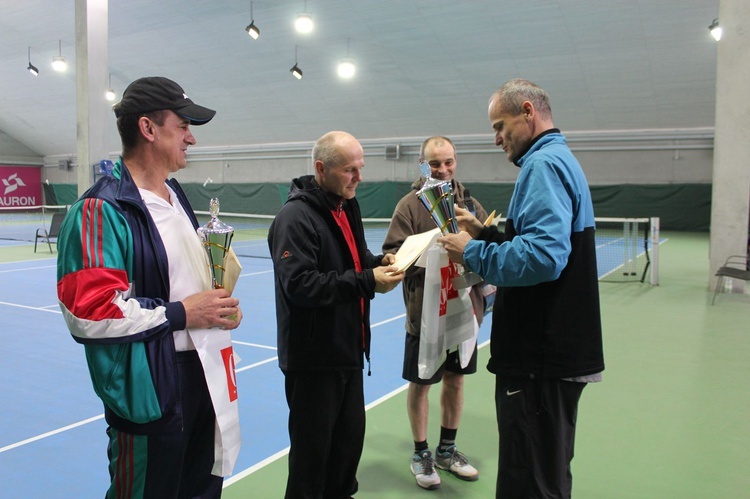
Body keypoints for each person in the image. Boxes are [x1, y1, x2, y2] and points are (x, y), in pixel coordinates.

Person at [56, 76, 243, 498]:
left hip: (205, 374)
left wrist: (218, 307)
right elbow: (90, 312)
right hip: (153, 387)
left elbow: (187, 278)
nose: (191, 138)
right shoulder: (99, 209)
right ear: (148, 129)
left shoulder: (175, 195)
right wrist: (182, 313)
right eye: (183, 126)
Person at [438, 79, 604, 498]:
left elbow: (545, 258)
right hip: (552, 357)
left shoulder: (542, 166)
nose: (497, 139)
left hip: (539, 360)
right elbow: (536, 240)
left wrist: (473, 251)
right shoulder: (559, 158)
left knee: (529, 482)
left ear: (528, 112)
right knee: (546, 473)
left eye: (500, 126)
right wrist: (490, 234)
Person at [267, 131, 404, 498]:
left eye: (360, 168)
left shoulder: (347, 206)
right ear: (321, 169)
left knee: (345, 458)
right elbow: (301, 285)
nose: (359, 177)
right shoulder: (294, 218)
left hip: (348, 354)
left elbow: (353, 261)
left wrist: (378, 263)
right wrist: (366, 281)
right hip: (313, 363)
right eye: (349, 170)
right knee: (311, 466)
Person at [382, 136, 487, 490]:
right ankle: (420, 453)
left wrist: (479, 236)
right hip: (423, 315)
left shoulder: (469, 202)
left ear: (455, 161)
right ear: (423, 165)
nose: (442, 169)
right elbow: (393, 255)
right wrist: (429, 251)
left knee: (456, 381)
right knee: (422, 383)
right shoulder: (409, 207)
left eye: (448, 162)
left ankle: (447, 449)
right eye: (434, 164)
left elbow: (487, 245)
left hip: (463, 311)